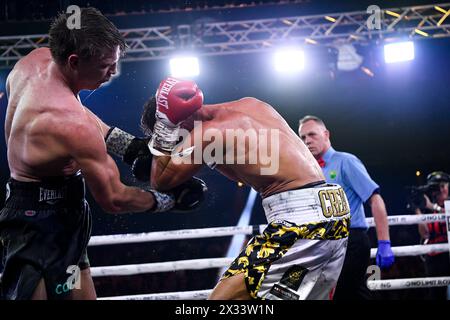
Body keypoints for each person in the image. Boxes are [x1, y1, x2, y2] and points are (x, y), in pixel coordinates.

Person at [0, 8, 205, 300]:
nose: (112, 72)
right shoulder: (71, 125)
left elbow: (72, 110)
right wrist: (169, 201)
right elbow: (114, 199)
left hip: (56, 208)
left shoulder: (33, 62)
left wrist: (131, 148)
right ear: (74, 61)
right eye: (105, 66)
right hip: (33, 221)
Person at [140, 77, 351, 300]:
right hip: (332, 211)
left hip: (300, 221)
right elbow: (244, 170)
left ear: (177, 122)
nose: (176, 145)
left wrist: (164, 127)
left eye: (173, 137)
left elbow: (160, 180)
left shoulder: (208, 133)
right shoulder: (252, 105)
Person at [298, 115, 394, 300]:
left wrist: (384, 242)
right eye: (302, 137)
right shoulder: (308, 170)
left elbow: (375, 199)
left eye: (312, 134)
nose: (307, 140)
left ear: (326, 134)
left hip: (351, 241)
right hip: (323, 244)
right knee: (354, 294)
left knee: (343, 294)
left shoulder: (345, 161)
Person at [415, 171, 450, 300]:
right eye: (437, 187)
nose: (441, 190)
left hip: (448, 254)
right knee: (436, 294)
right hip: (434, 256)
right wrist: (417, 210)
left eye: (443, 186)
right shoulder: (428, 207)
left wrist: (433, 206)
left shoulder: (437, 205)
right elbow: (425, 233)